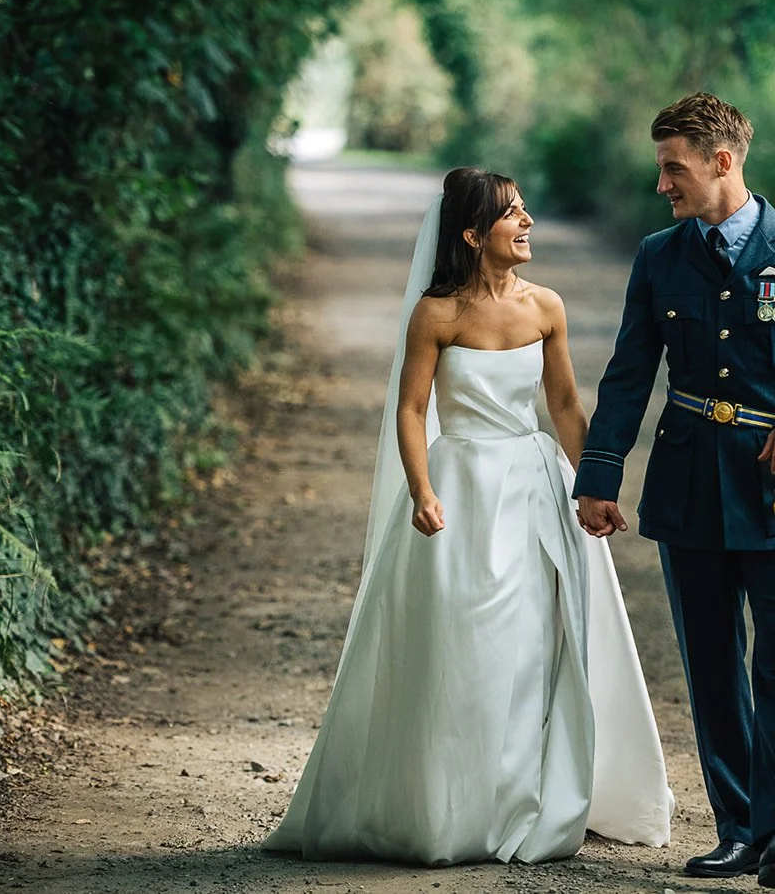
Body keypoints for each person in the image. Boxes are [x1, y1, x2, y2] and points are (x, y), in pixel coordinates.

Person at [263, 167, 673, 866]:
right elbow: (411, 408)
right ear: (473, 233)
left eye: (526, 211)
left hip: (533, 487)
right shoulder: (438, 314)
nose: (528, 223)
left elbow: (568, 406)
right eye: (513, 214)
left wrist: (595, 484)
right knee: (460, 641)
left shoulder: (547, 306)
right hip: (461, 488)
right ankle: (447, 804)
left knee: (532, 643)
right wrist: (421, 488)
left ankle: (519, 800)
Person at [574, 93, 775, 889]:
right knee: (713, 666)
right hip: (691, 489)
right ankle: (740, 830)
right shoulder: (659, 256)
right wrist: (598, 476)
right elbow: (630, 374)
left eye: (673, 167)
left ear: (722, 162)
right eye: (661, 167)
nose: (662, 183)